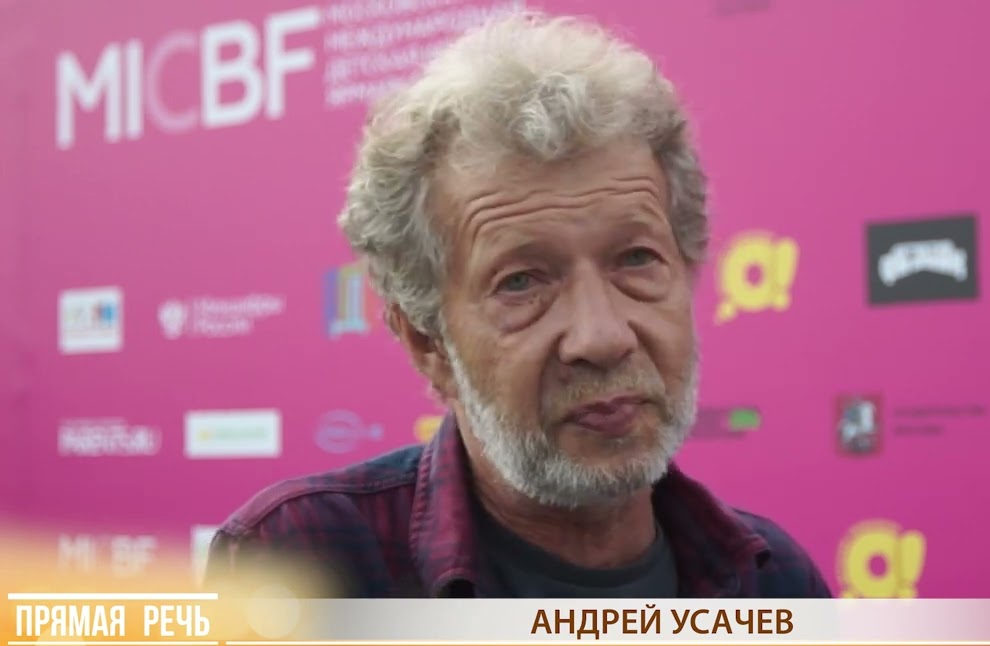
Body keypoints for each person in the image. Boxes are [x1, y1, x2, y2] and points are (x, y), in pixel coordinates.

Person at [205, 11, 831, 599]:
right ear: (427, 341)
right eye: (522, 281)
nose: (601, 336)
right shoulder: (306, 566)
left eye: (636, 259)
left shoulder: (776, 581)